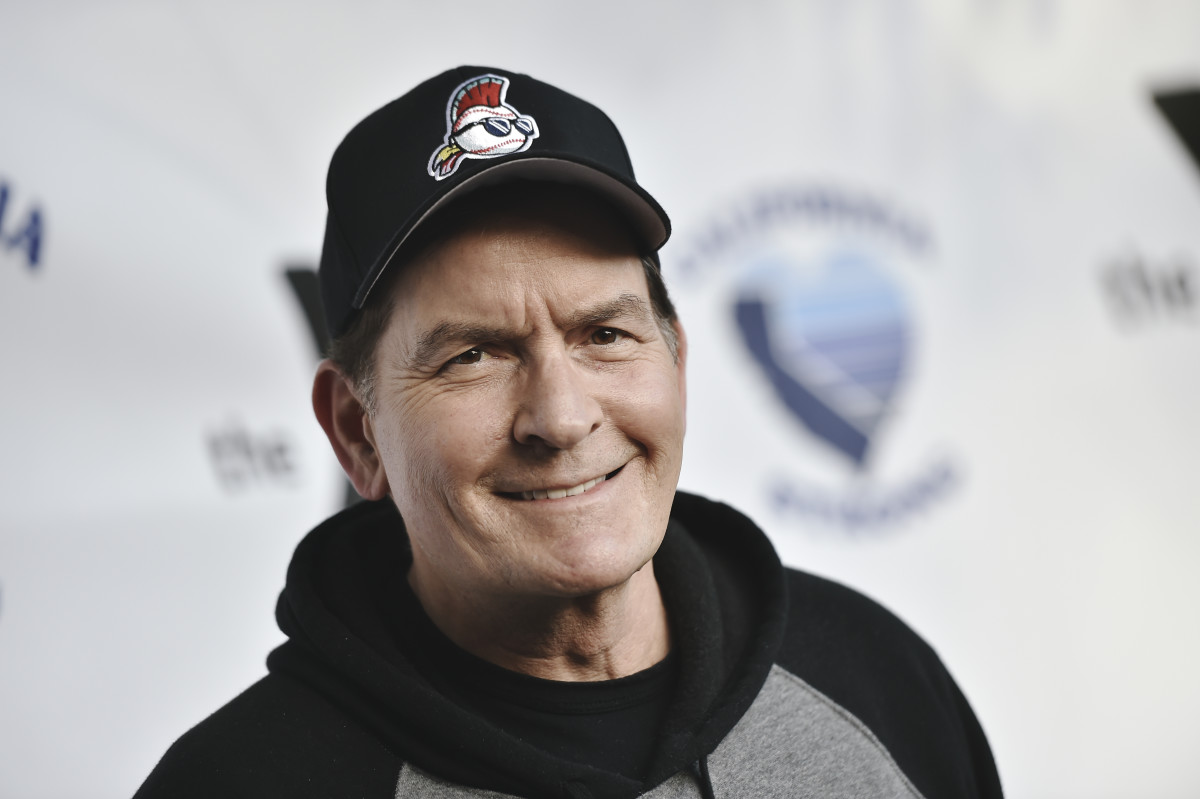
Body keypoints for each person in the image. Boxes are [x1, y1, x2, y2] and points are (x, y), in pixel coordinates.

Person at [135, 66, 1002, 799]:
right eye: (474, 355)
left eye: (605, 334)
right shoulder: (236, 782)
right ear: (357, 434)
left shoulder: (875, 680)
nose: (560, 416)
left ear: (676, 362)